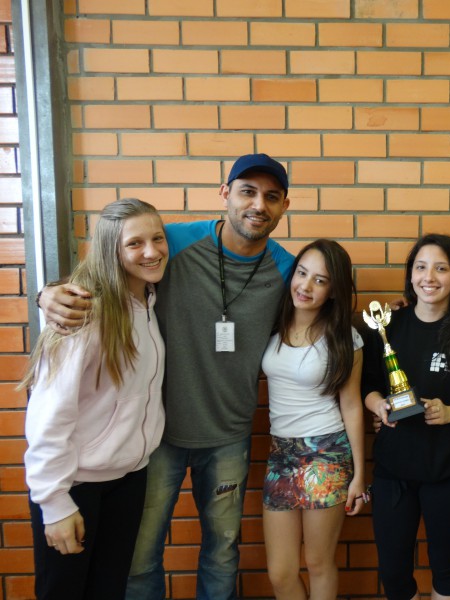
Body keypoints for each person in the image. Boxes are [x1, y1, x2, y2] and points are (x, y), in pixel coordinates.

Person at [37, 154, 295, 600]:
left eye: (271, 197)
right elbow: (108, 266)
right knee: (139, 559)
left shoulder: (287, 269)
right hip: (156, 439)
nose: (258, 205)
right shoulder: (170, 243)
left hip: (229, 436)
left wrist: (408, 315)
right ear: (225, 195)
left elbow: (323, 319)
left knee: (222, 553)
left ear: (284, 207)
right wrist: (49, 294)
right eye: (247, 191)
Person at [22, 198, 168, 600]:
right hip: (76, 485)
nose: (152, 251)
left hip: (127, 479)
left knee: (109, 591)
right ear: (112, 250)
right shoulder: (85, 313)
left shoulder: (147, 303)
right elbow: (48, 415)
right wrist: (54, 503)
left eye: (157, 238)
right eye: (135, 244)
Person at [362, 234, 450, 600]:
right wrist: (378, 406)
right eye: (421, 267)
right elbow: (368, 386)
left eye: (441, 268)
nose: (430, 277)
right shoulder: (387, 326)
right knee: (392, 571)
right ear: (410, 275)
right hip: (393, 473)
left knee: (445, 565)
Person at [261, 239, 366, 599]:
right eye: (302, 273)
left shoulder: (344, 338)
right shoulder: (272, 325)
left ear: (334, 289)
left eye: (320, 280)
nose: (305, 286)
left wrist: (359, 475)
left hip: (326, 454)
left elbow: (352, 406)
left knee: (319, 563)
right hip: (281, 455)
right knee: (280, 572)